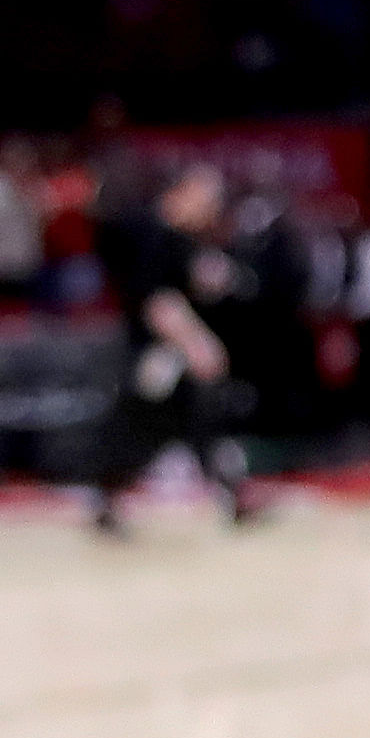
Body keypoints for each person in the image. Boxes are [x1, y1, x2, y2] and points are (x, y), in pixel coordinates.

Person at [94, 161, 263, 534]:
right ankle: (107, 500)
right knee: (144, 424)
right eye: (208, 197)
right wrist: (197, 344)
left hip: (169, 356)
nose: (213, 207)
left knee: (199, 421)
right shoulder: (155, 233)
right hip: (156, 355)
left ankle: (233, 496)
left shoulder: (182, 239)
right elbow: (158, 302)